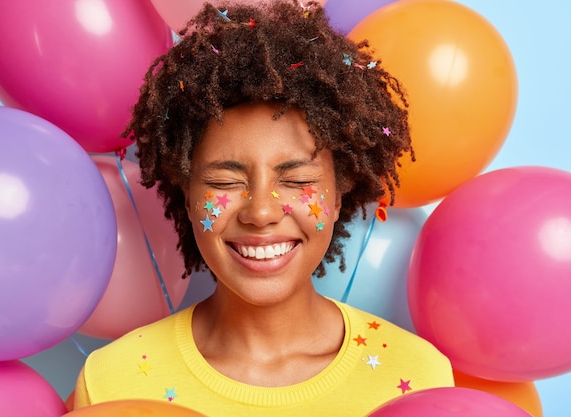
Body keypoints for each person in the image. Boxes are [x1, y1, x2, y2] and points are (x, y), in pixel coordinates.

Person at [73, 1, 454, 415]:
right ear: (186, 193)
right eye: (224, 182)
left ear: (341, 189)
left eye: (296, 180)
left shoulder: (419, 380)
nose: (261, 213)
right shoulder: (114, 381)